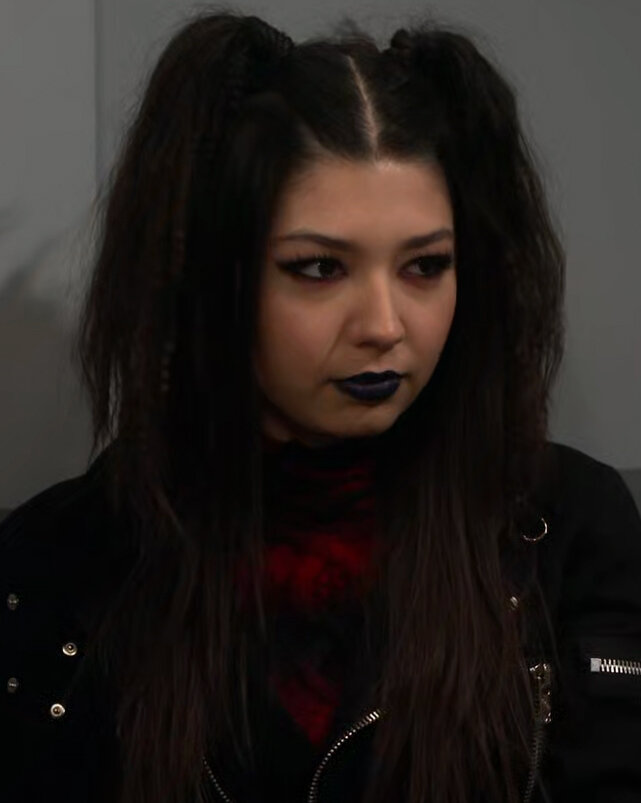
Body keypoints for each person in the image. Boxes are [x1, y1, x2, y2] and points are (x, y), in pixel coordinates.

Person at [1, 9, 640, 803]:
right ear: (210, 277)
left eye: (425, 265)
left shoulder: (568, 531)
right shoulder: (57, 564)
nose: (383, 326)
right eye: (317, 269)